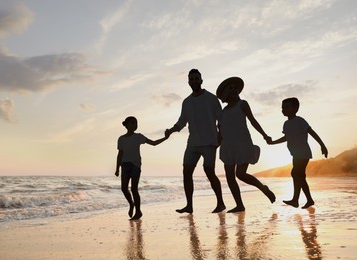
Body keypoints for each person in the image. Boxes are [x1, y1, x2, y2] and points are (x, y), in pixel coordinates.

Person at [166, 69, 225, 214]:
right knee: (186, 172)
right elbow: (181, 122)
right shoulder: (186, 102)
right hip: (193, 143)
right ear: (188, 82)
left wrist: (220, 137)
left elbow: (221, 120)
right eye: (191, 79)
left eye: (196, 79)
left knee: (209, 171)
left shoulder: (211, 98)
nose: (194, 81)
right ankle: (189, 205)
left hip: (210, 142)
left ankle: (221, 203)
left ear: (201, 80)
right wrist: (171, 130)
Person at [216, 76, 276, 213]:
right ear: (225, 93)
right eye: (230, 88)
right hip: (228, 146)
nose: (234, 90)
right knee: (230, 176)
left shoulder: (242, 104)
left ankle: (263, 188)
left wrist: (265, 135)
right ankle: (239, 205)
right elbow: (220, 130)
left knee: (241, 174)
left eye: (235, 88)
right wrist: (215, 145)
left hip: (242, 143)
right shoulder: (223, 112)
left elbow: (253, 121)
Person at [267, 97, 328, 209]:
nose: (283, 109)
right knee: (300, 176)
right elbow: (286, 137)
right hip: (295, 153)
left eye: (286, 107)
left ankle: (296, 200)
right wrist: (273, 142)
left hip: (303, 152)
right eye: (282, 108)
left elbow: (311, 132)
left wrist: (322, 145)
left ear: (295, 109)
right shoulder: (286, 124)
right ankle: (308, 200)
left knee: (296, 173)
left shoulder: (300, 121)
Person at [115, 116, 169, 220]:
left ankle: (138, 211)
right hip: (125, 165)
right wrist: (117, 168)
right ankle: (131, 204)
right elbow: (120, 154)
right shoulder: (121, 139)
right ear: (126, 125)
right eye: (132, 123)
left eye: (136, 123)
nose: (134, 125)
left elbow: (153, 143)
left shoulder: (138, 137)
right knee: (124, 189)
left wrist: (165, 138)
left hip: (135, 165)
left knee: (134, 189)